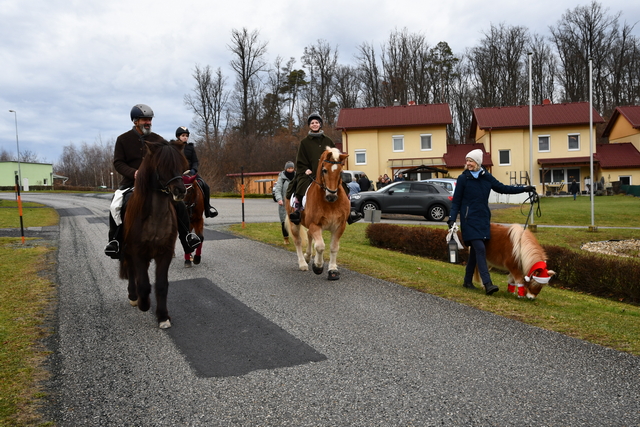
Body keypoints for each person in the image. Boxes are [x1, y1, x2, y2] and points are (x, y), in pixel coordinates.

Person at [104, 104, 201, 258]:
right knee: (116, 204)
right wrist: (134, 173)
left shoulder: (158, 139)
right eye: (145, 120)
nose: (148, 122)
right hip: (132, 182)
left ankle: (187, 238)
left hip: (157, 184)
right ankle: (115, 241)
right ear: (135, 121)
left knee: (180, 204)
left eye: (150, 120)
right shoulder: (123, 139)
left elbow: (167, 159)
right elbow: (118, 163)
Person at [447, 148, 535, 295]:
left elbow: (503, 188)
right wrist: (451, 219)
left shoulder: (486, 177)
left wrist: (524, 189)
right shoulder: (463, 178)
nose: (468, 163)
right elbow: (456, 201)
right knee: (481, 249)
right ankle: (488, 284)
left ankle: (467, 281)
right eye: (467, 161)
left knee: (476, 252)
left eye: (471, 161)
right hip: (469, 221)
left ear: (478, 163)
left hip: (483, 220)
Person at [286, 112, 362, 225]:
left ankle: (349, 212)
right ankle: (298, 209)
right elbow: (300, 160)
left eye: (317, 122)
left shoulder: (328, 141)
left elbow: (335, 156)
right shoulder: (304, 142)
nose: (314, 124)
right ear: (309, 125)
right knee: (300, 186)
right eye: (312, 123)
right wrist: (305, 169)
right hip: (309, 173)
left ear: (320, 124)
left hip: (328, 173)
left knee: (344, 187)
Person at [175, 126, 218, 218]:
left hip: (190, 173)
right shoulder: (173, 148)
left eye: (186, 135)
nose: (185, 137)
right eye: (183, 135)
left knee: (205, 186)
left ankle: (207, 209)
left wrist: (194, 170)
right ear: (178, 136)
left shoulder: (190, 148)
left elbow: (195, 161)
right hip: (177, 174)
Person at [274, 161, 295, 244]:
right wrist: (279, 199)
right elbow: (278, 189)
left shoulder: (296, 176)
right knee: (284, 221)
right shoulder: (281, 178)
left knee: (295, 220)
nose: (290, 170)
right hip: (284, 203)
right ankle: (286, 238)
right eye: (289, 168)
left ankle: (295, 236)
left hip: (294, 203)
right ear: (286, 169)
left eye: (292, 168)